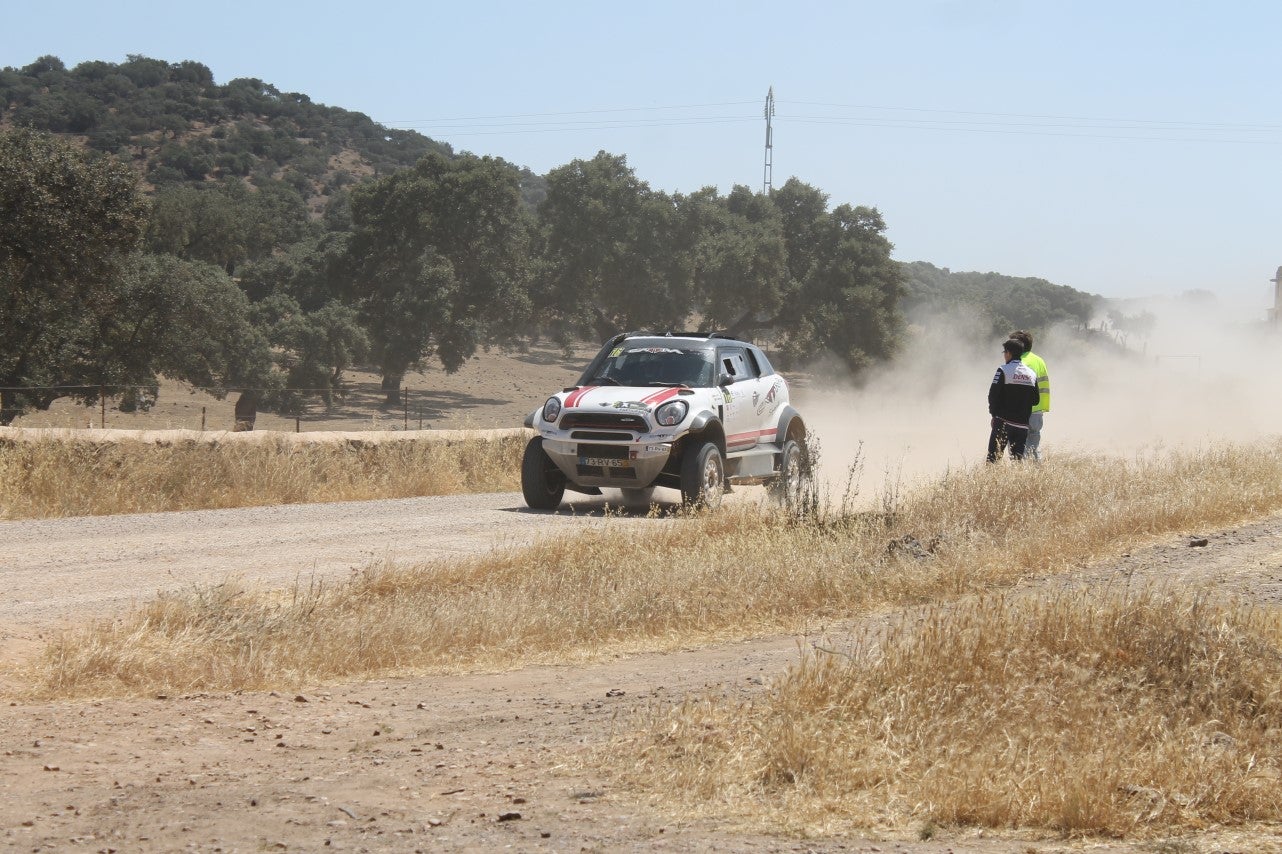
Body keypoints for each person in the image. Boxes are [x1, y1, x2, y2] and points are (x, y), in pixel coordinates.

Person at [987, 339, 1040, 462]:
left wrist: (994, 415)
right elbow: (1036, 400)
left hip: (1003, 422)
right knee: (1017, 461)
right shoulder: (1031, 374)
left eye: (1004, 352)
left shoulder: (1003, 370)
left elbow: (992, 395)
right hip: (1022, 425)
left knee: (993, 459)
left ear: (1008, 353)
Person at [1010, 330, 1050, 460]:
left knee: (1017, 450)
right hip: (1037, 411)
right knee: (1034, 447)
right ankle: (1037, 474)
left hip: (1021, 412)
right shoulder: (1039, 361)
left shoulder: (1019, 362)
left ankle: (1022, 476)